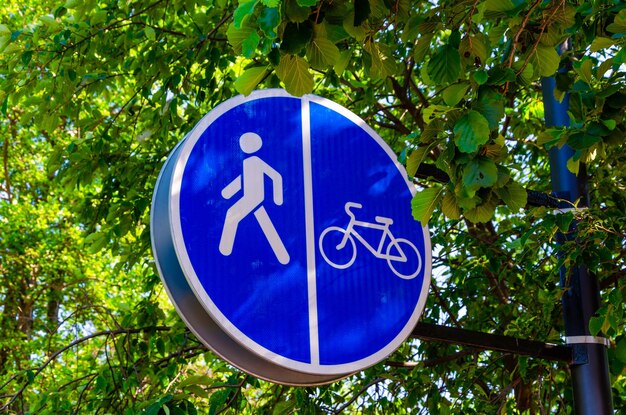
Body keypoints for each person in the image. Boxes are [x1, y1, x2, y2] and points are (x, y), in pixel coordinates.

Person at [218, 132, 290, 265]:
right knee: (266, 225)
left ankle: (224, 250)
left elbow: (276, 176)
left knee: (232, 214)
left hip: (255, 198)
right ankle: (283, 256)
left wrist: (278, 197)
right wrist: (228, 192)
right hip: (252, 198)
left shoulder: (256, 161)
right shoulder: (247, 162)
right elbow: (243, 180)